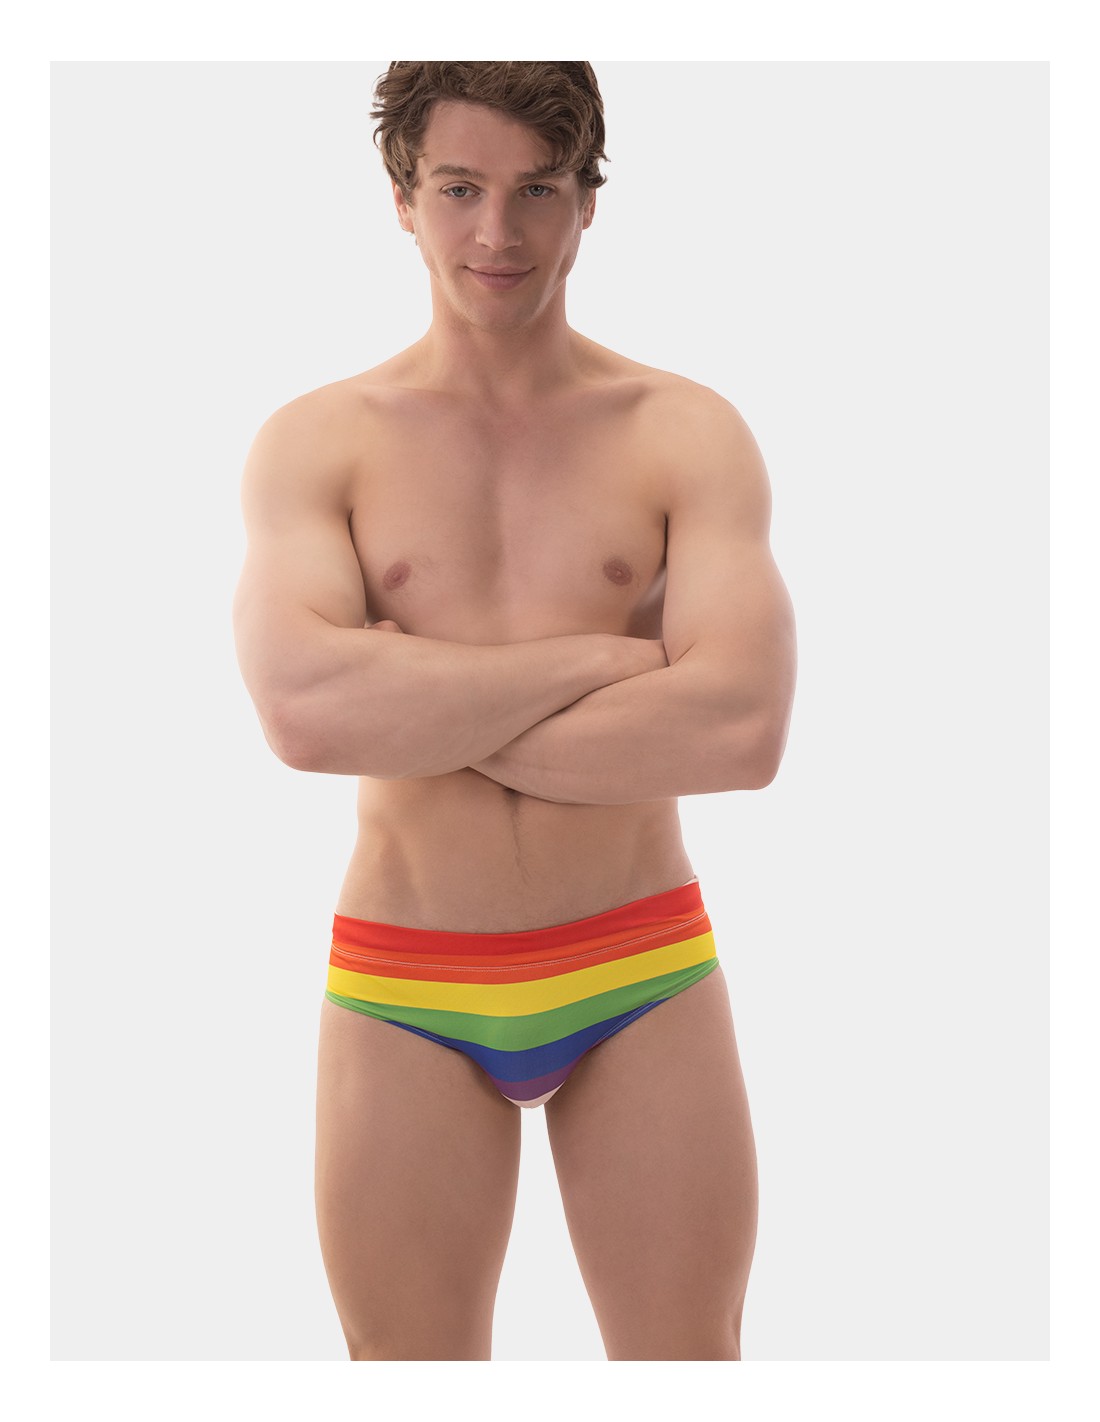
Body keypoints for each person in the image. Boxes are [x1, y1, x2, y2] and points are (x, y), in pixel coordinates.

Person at [232, 60, 797, 1362]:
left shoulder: (684, 432)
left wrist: (416, 696)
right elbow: (307, 713)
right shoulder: (320, 442)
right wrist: (607, 659)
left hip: (640, 967)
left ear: (588, 200)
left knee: (688, 1372)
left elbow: (739, 729)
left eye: (538, 189)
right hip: (405, 980)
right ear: (401, 199)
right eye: (459, 189)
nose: (497, 232)